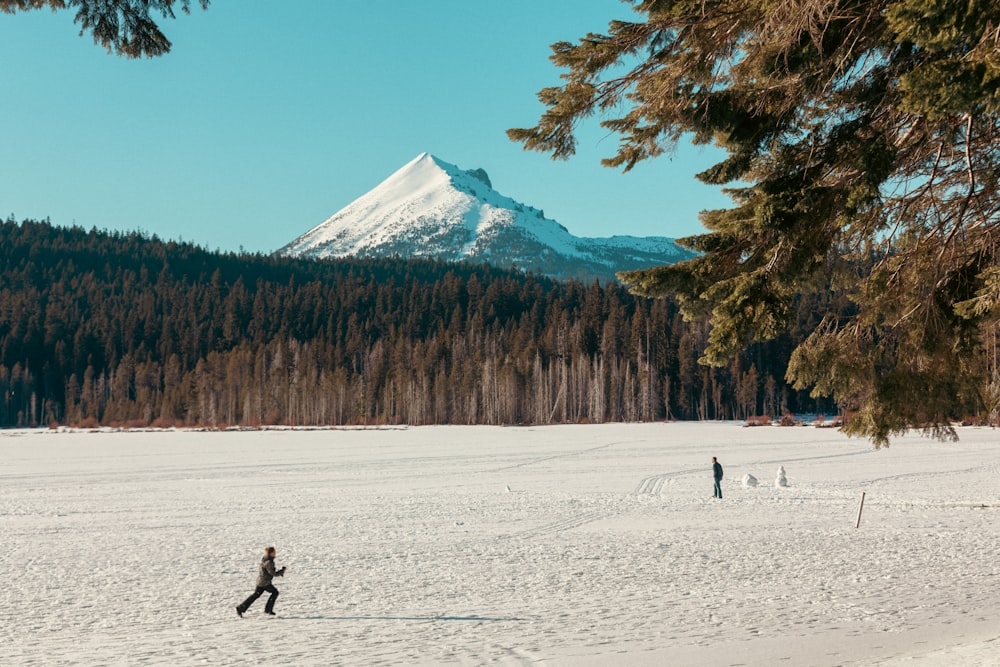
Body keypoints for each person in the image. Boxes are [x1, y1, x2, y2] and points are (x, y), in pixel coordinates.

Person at [236, 546, 286, 617]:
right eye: (274, 552)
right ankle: (268, 610)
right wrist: (282, 571)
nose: (275, 553)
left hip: (260, 581)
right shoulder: (269, 562)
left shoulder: (265, 559)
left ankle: (240, 608)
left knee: (255, 595)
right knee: (275, 592)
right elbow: (272, 573)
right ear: (271, 553)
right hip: (265, 583)